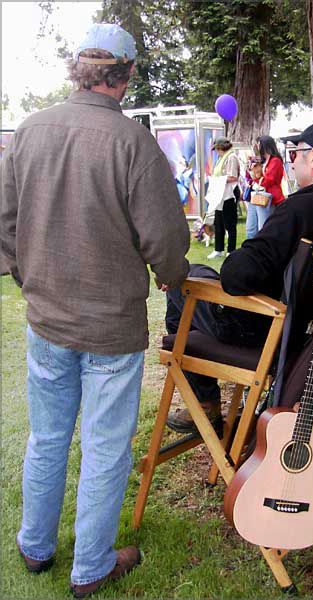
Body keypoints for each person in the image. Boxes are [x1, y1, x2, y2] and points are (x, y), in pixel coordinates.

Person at [0, 23, 190, 598]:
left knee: (48, 437)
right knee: (105, 444)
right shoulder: (131, 142)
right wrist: (174, 277)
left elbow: (6, 226)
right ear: (125, 75)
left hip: (48, 318)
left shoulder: (28, 131)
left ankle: (36, 547)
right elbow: (165, 238)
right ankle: (90, 568)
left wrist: (25, 273)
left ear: (79, 71)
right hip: (109, 325)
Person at [166, 119, 313, 434]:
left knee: (181, 282)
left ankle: (204, 404)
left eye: (296, 154)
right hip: (300, 329)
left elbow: (237, 277)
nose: (293, 161)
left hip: (259, 326)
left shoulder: (300, 209)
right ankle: (204, 403)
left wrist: (238, 256)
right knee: (199, 274)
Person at [245, 135, 286, 239]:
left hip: (268, 197)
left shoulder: (275, 161)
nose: (257, 147)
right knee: (251, 228)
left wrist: (255, 177)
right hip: (258, 195)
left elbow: (269, 180)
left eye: (259, 145)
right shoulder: (263, 161)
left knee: (263, 228)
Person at [207, 137, 240, 259]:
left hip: (229, 195)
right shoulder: (221, 158)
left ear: (222, 147)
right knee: (218, 223)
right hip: (219, 194)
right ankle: (218, 249)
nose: (216, 151)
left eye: (217, 149)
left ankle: (231, 250)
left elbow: (233, 176)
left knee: (230, 223)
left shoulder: (231, 157)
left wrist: (218, 180)